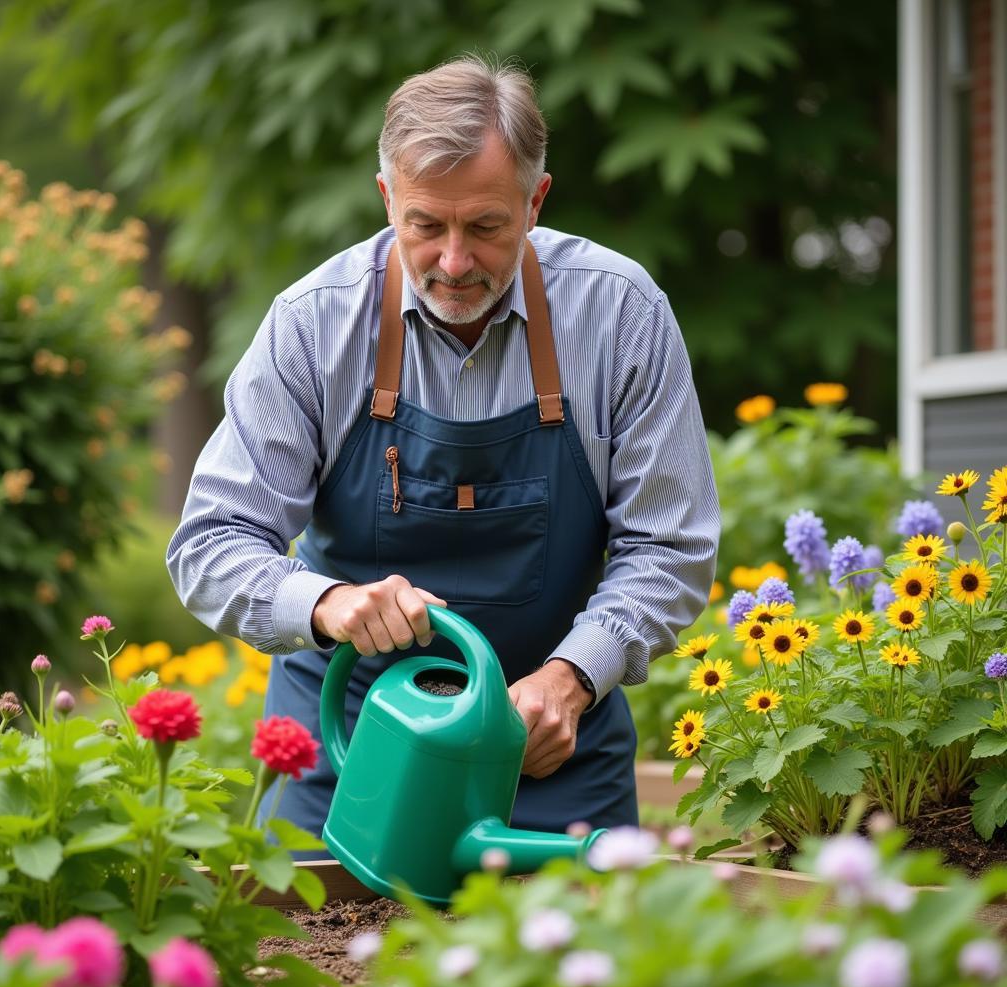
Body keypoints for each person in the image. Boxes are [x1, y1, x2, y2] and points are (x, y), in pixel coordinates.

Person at [167, 55, 719, 845]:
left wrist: (571, 678)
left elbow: (669, 545)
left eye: (486, 227)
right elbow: (210, 540)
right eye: (426, 225)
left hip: (547, 751)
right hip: (350, 751)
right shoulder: (314, 323)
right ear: (388, 198)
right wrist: (327, 603)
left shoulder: (620, 313)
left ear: (536, 200)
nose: (454, 262)